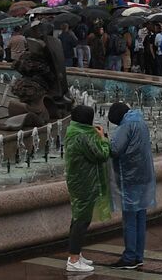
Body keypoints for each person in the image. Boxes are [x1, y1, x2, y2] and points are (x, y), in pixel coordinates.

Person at [107, 101, 155, 270]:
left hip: (131, 179)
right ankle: (138, 256)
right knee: (140, 218)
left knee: (129, 219)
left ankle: (129, 258)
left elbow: (114, 149)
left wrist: (102, 138)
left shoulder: (126, 126)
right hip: (145, 177)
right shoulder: (140, 121)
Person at [64, 104, 111, 273]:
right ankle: (74, 260)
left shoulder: (73, 131)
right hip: (84, 183)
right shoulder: (83, 136)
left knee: (78, 217)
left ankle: (76, 254)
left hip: (77, 181)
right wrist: (103, 138)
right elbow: (102, 154)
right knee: (82, 220)